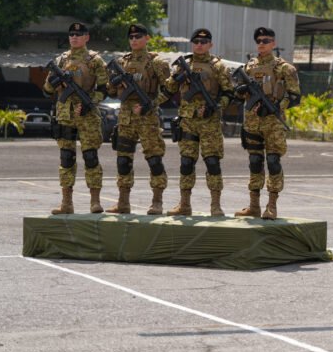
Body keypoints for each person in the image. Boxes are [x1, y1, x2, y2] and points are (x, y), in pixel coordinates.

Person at [161, 28, 234, 217]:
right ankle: (184, 204)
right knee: (186, 163)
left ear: (210, 44)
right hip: (188, 121)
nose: (199, 45)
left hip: (209, 121)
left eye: (204, 42)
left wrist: (216, 106)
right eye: (196, 42)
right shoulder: (183, 65)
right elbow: (169, 89)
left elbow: (229, 93)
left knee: (212, 163)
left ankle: (216, 205)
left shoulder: (219, 66)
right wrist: (177, 77)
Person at [105, 24, 173, 215]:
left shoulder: (157, 62)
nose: (134, 40)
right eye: (131, 37)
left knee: (154, 160)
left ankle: (157, 202)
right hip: (125, 117)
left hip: (147, 118)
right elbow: (111, 92)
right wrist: (114, 82)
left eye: (138, 36)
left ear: (147, 38)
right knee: (123, 160)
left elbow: (170, 90)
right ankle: (123, 202)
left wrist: (151, 104)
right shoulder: (122, 62)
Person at [234, 27, 300, 220]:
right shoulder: (248, 67)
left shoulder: (285, 68)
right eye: (259, 41)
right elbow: (237, 93)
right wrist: (241, 90)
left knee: (273, 162)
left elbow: (295, 96)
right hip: (252, 122)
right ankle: (254, 206)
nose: (262, 44)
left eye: (266, 40)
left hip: (273, 123)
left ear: (273, 43)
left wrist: (276, 107)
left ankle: (271, 206)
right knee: (255, 162)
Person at [42, 22, 108, 214]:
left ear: (87, 37)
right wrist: (53, 81)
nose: (74, 37)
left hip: (87, 114)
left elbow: (104, 89)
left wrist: (90, 102)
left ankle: (95, 201)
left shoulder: (95, 60)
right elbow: (47, 91)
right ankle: (66, 203)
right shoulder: (61, 60)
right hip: (65, 114)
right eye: (71, 34)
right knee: (66, 158)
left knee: (90, 157)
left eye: (78, 34)